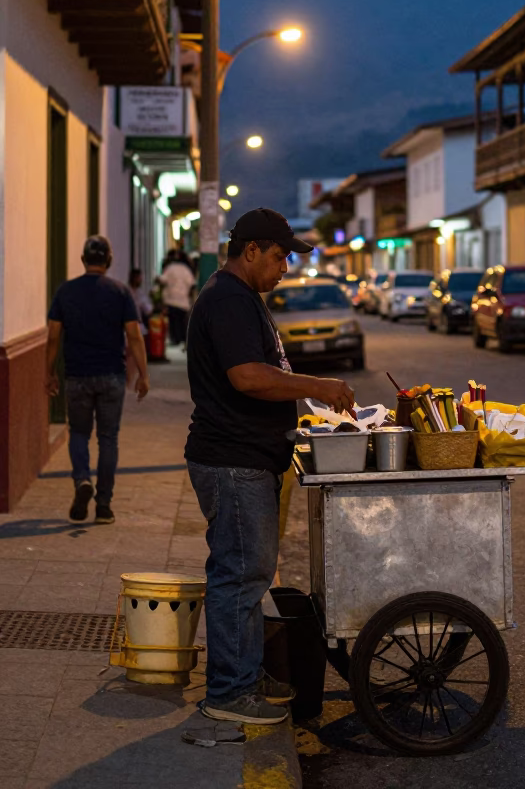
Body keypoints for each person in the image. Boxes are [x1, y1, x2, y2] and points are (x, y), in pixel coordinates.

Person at [185, 207, 356, 727]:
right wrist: (318, 386)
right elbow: (247, 377)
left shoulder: (242, 299)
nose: (286, 268)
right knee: (240, 575)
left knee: (249, 573)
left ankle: (244, 674)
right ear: (251, 250)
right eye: (280, 256)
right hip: (233, 462)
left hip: (244, 458)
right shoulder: (229, 301)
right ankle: (230, 694)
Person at [46, 236, 150, 524]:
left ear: (83, 260)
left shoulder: (65, 291)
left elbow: (53, 335)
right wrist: (143, 373)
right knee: (108, 439)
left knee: (78, 433)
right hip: (111, 377)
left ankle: (82, 480)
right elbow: (133, 335)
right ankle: (104, 506)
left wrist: (48, 371)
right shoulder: (120, 292)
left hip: (77, 376)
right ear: (109, 261)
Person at [159, 251, 195, 347]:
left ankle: (175, 339)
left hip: (171, 299)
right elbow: (191, 285)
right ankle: (181, 338)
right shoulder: (186, 270)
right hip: (183, 301)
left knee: (173, 321)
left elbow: (162, 280)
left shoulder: (169, 268)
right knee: (182, 321)